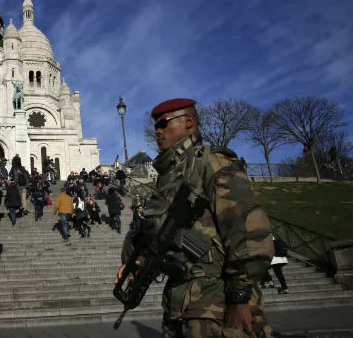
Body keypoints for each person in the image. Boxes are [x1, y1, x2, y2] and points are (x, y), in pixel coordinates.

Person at [116, 98, 274, 337]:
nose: (157, 131)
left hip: (219, 304)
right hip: (180, 304)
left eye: (163, 123)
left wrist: (239, 297)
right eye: (156, 126)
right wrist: (136, 262)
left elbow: (250, 232)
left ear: (189, 121)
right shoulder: (168, 177)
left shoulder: (212, 163)